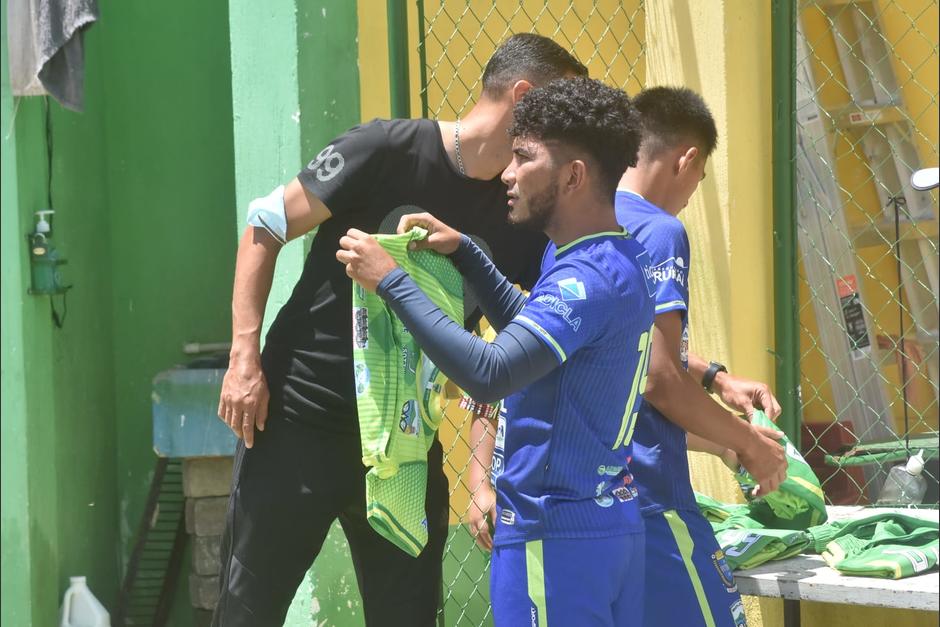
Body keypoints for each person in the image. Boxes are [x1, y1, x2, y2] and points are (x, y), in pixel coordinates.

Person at [213, 34, 587, 627]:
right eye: (560, 108)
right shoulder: (384, 149)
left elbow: (525, 343)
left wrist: (479, 465)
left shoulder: (523, 208)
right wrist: (243, 359)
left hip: (404, 446)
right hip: (295, 420)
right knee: (247, 612)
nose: (570, 129)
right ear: (524, 95)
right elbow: (264, 224)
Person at [338, 76, 654, 626]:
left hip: (553, 539)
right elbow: (533, 337)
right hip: (608, 530)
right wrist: (465, 253)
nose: (507, 174)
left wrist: (391, 281)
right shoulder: (608, 258)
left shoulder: (582, 279)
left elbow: (491, 370)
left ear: (573, 175)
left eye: (523, 159)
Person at [610, 86, 787, 627]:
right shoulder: (660, 231)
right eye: (699, 180)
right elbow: (658, 381)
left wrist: (715, 378)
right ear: (687, 160)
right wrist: (750, 444)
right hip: (653, 501)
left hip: (595, 501)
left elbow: (625, 356)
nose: (690, 197)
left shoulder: (578, 223)